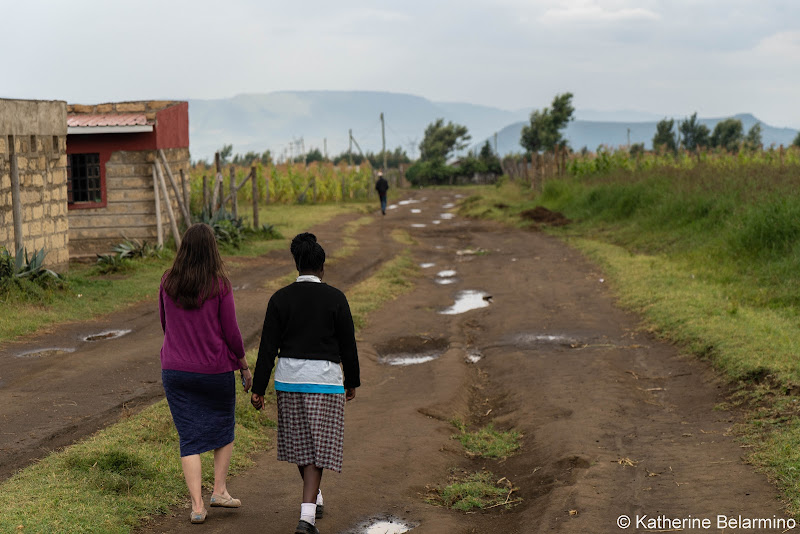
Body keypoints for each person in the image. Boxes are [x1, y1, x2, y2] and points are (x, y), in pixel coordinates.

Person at [251, 232, 360, 534]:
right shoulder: (336, 298)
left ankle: (313, 499)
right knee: (316, 449)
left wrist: (259, 388)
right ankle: (306, 519)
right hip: (324, 382)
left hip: (289, 381)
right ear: (322, 267)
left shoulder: (280, 299)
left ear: (297, 266)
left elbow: (267, 348)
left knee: (303, 448)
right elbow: (348, 345)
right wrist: (351, 381)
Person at [159, 223, 252, 524]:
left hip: (175, 370)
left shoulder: (167, 282)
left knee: (189, 438)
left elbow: (165, 324)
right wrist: (243, 364)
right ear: (213, 249)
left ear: (183, 248)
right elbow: (232, 333)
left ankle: (198, 506)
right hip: (215, 370)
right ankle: (220, 490)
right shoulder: (219, 285)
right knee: (224, 427)